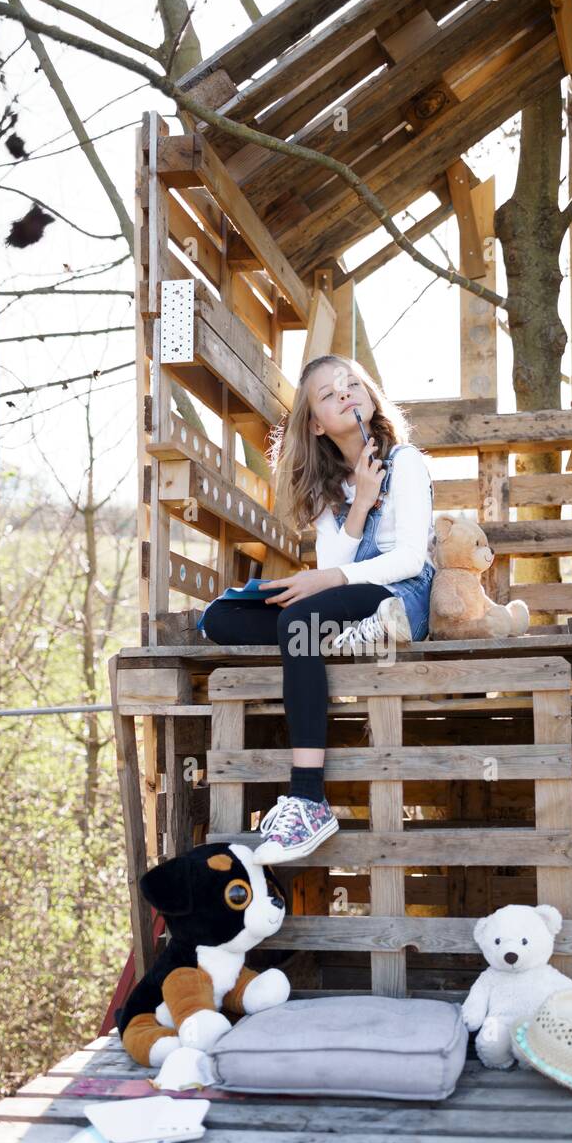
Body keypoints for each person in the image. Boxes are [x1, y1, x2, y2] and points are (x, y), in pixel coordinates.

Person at [197, 353, 436, 864]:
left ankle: (308, 798)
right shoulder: (330, 489)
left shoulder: (407, 462)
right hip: (343, 595)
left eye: (352, 384)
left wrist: (325, 581)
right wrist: (361, 504)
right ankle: (331, 637)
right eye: (328, 394)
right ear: (316, 424)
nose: (345, 394)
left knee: (299, 620)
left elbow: (411, 557)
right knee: (222, 617)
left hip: (400, 592)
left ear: (369, 395)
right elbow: (334, 562)